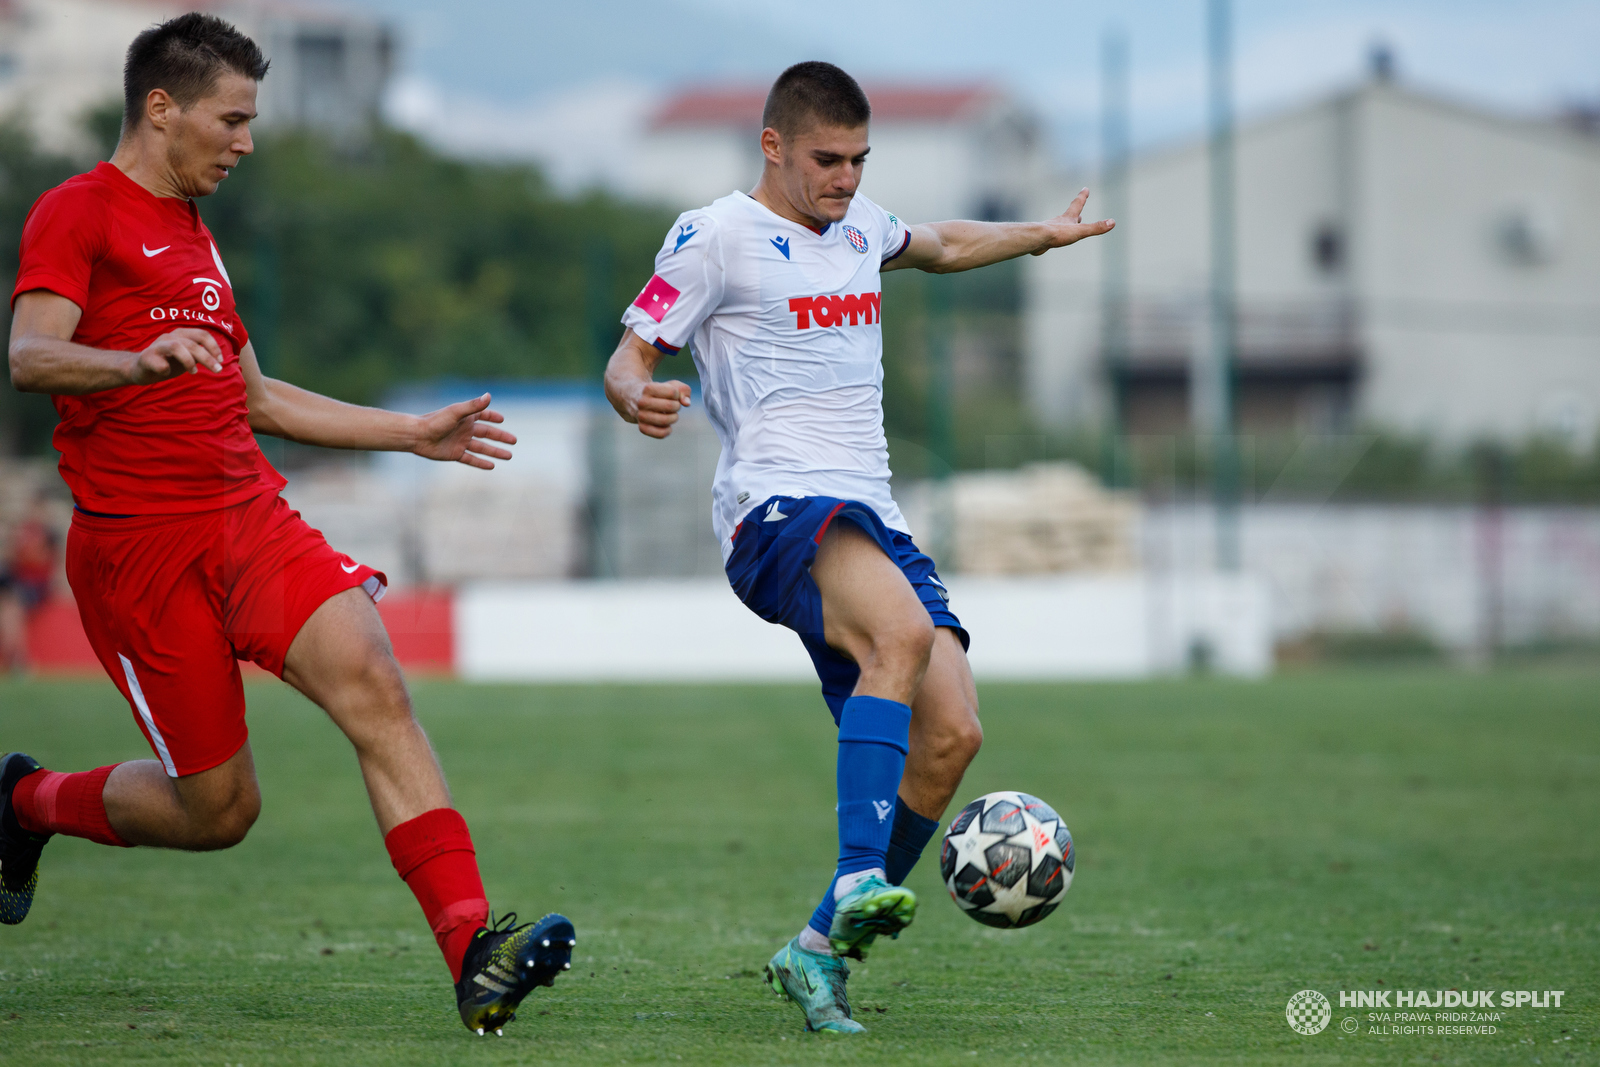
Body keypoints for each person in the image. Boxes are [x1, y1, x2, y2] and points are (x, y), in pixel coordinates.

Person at [0, 14, 572, 1036]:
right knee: (217, 812)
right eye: (233, 118)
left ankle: (473, 951)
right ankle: (26, 803)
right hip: (139, 553)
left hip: (247, 517)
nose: (247, 141)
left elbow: (256, 400)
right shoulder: (75, 212)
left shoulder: (193, 230)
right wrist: (130, 362)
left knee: (376, 680)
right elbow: (29, 355)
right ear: (161, 107)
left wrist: (411, 433)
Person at [605, 61, 1112, 1033]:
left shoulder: (859, 223)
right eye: (826, 160)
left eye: (858, 160)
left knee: (953, 733)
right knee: (902, 635)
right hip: (774, 508)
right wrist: (639, 396)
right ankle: (854, 876)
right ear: (773, 147)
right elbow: (629, 352)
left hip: (870, 512)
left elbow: (943, 242)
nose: (844, 178)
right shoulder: (714, 235)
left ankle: (816, 950)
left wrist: (1041, 236)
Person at [0, 494, 60, 672]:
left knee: (11, 608)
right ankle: (17, 659)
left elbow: (46, 561)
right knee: (9, 608)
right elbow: (11, 561)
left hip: (36, 585)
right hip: (18, 584)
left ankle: (19, 659)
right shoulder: (22, 531)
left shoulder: (48, 533)